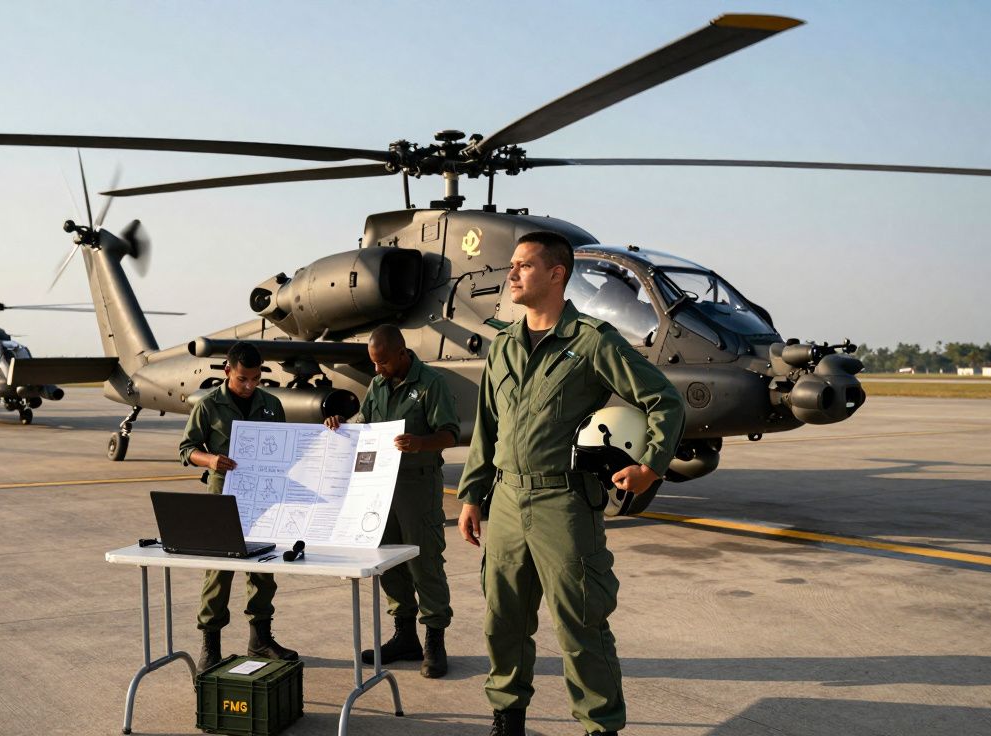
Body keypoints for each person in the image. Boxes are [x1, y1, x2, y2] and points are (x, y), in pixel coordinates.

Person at [456, 231, 685, 736]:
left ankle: (600, 726)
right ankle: (507, 716)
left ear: (557, 274)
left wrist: (650, 466)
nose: (511, 274)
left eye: (523, 266)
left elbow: (664, 401)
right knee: (503, 620)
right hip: (508, 501)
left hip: (563, 501)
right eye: (511, 266)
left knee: (580, 623)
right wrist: (472, 494)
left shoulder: (591, 341)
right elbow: (485, 428)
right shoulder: (503, 347)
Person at [324, 324, 459, 678]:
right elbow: (365, 422)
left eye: (382, 362)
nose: (377, 369)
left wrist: (419, 443)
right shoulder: (378, 385)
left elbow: (449, 432)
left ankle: (434, 641)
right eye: (373, 363)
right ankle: (404, 636)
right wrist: (342, 424)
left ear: (402, 353)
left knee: (424, 560)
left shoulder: (432, 383)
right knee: (388, 560)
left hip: (417, 486)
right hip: (379, 488)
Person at [178, 341, 298, 670]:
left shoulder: (272, 404)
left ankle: (260, 639)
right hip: (223, 497)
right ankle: (210, 645)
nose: (249, 386)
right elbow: (186, 449)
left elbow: (283, 449)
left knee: (263, 571)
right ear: (228, 371)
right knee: (219, 573)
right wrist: (211, 459)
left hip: (263, 497)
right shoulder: (208, 406)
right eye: (243, 378)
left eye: (256, 379)